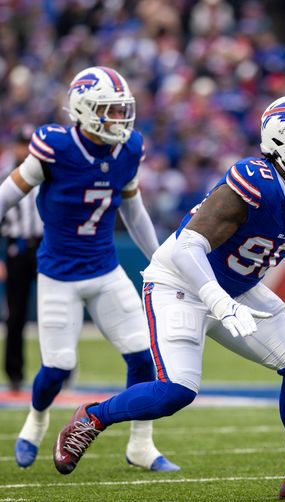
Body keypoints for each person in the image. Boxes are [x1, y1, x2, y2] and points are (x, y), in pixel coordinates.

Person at [51, 94, 285, 500]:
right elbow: (185, 246)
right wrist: (216, 299)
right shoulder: (253, 179)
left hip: (236, 288)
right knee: (176, 391)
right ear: (282, 141)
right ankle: (92, 418)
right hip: (178, 283)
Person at [0, 67, 178, 472]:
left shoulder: (128, 148)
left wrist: (160, 259)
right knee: (56, 367)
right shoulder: (55, 147)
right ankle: (37, 418)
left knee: (143, 357)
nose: (119, 120)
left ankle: (141, 444)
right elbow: (8, 194)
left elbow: (133, 210)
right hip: (58, 273)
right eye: (108, 111)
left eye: (121, 111)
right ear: (83, 111)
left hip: (105, 270)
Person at [1, 126, 43, 392]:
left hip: (44, 248)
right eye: (22, 144)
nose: (25, 149)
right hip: (16, 249)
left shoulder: (47, 178)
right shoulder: (6, 179)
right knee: (15, 315)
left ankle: (61, 370)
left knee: (57, 310)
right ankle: (14, 373)